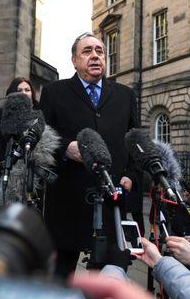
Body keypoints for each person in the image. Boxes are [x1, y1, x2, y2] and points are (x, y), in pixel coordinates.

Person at [38, 32, 139, 279]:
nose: (95, 56)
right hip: (67, 200)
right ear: (74, 60)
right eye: (87, 51)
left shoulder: (125, 95)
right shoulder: (54, 92)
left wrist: (131, 175)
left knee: (110, 276)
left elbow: (135, 140)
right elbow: (41, 137)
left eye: (100, 51)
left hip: (111, 200)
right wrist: (65, 149)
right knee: (60, 277)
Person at [0, 77, 38, 165]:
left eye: (27, 90)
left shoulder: (38, 114)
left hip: (32, 167)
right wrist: (5, 165)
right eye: (19, 90)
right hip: (7, 167)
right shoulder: (1, 114)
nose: (24, 93)